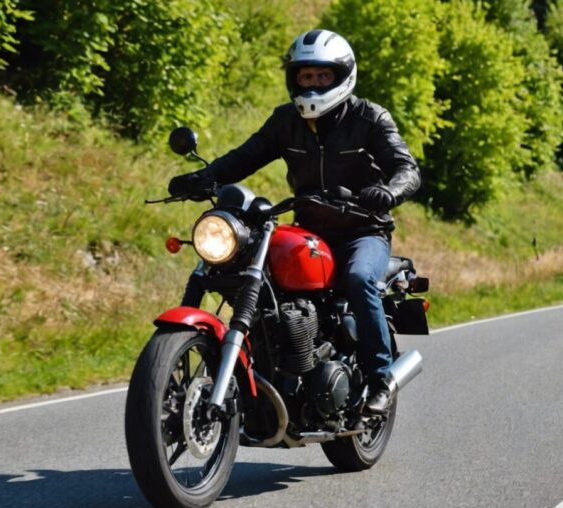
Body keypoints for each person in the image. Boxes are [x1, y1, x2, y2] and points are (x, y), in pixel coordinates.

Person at [167, 29, 420, 414]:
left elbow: (406, 168)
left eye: (323, 76)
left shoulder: (369, 118)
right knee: (249, 272)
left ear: (342, 77)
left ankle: (380, 376)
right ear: (294, 78)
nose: (314, 84)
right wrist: (205, 178)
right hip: (309, 230)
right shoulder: (286, 121)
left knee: (358, 279)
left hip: (362, 231)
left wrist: (388, 192)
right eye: (306, 76)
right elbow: (244, 158)